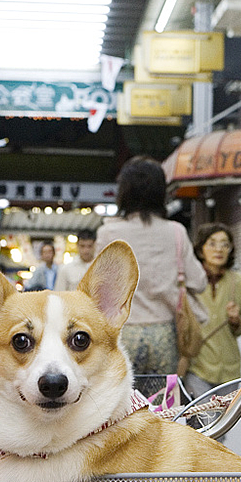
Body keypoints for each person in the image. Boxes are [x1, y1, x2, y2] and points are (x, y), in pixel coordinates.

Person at [95, 156, 207, 378]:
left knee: (123, 405)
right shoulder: (175, 231)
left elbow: (97, 288)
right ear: (160, 192)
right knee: (162, 405)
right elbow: (199, 282)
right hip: (164, 332)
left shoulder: (108, 233)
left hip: (122, 332)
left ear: (124, 192)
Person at [184, 223, 241, 400]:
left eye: (224, 244)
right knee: (204, 420)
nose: (218, 249)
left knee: (225, 423)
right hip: (197, 366)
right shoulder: (190, 281)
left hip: (229, 370)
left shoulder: (239, 282)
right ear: (200, 249)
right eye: (212, 243)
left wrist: (236, 320)